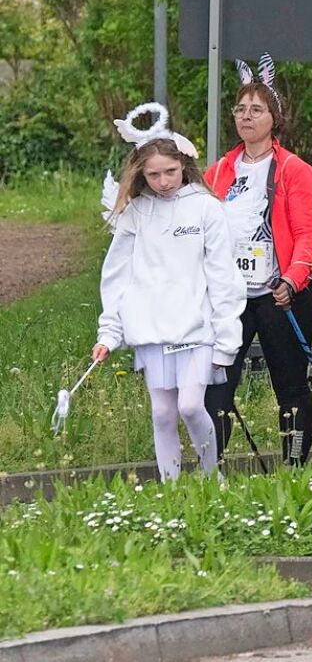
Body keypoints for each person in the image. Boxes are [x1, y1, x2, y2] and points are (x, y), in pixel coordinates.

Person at [94, 103, 245, 482]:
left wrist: (227, 340)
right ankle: (171, 487)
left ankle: (212, 479)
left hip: (197, 328)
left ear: (185, 166)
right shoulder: (136, 214)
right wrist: (109, 334)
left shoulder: (207, 210)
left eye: (171, 172)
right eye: (154, 174)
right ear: (141, 175)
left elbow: (223, 277)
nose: (164, 181)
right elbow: (117, 277)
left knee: (192, 405)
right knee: (162, 413)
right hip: (153, 328)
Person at [204, 54, 312, 466]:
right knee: (217, 384)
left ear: (274, 116)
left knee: (289, 384)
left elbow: (309, 233)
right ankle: (210, 466)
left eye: (257, 110)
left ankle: (293, 464)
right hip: (232, 297)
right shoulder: (219, 171)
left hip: (280, 294)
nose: (246, 117)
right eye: (240, 109)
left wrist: (292, 279)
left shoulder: (294, 169)